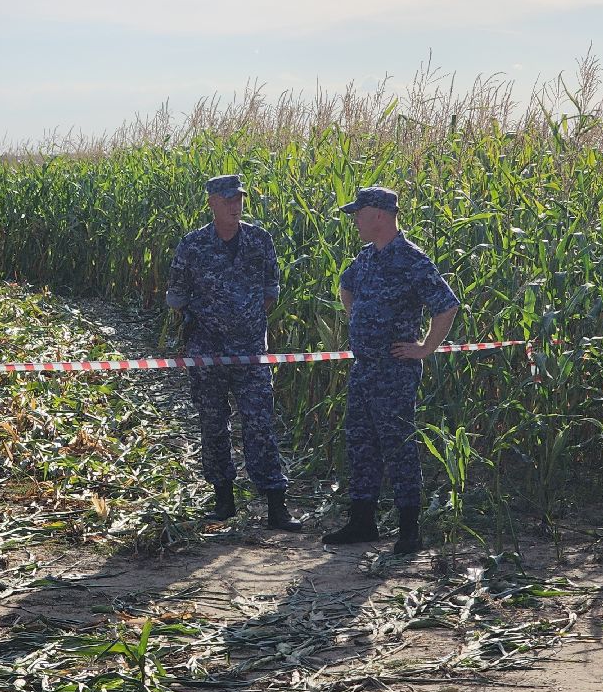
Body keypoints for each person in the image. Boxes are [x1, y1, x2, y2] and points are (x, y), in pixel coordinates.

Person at [323, 185, 459, 555]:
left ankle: (409, 529)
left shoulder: (411, 260)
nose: (355, 222)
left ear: (379, 215)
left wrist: (425, 348)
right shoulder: (367, 257)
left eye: (359, 214)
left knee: (398, 446)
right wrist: (357, 321)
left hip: (395, 370)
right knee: (360, 442)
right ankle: (363, 522)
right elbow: (345, 286)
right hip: (364, 367)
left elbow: (446, 305)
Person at [165, 174, 302, 531]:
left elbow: (272, 291)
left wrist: (246, 320)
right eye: (226, 199)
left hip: (250, 352)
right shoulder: (192, 245)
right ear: (211, 202)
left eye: (238, 198)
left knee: (259, 423)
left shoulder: (259, 240)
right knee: (213, 423)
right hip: (206, 352)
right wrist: (212, 323)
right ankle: (223, 499)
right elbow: (176, 297)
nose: (234, 205)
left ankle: (276, 504)